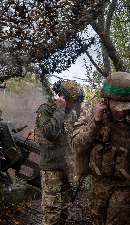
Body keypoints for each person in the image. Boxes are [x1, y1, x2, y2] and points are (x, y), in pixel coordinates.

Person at [72, 71, 130, 225]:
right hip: (99, 183)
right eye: (117, 106)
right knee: (96, 220)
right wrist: (95, 121)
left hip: (126, 185)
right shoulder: (91, 114)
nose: (121, 111)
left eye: (126, 107)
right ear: (106, 99)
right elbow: (78, 147)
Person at [35, 79, 84, 225]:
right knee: (52, 213)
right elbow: (50, 133)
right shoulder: (45, 110)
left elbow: (80, 132)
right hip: (51, 168)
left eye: (78, 101)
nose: (75, 104)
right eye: (73, 100)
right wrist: (60, 110)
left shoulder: (71, 112)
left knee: (65, 209)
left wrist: (80, 111)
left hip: (67, 167)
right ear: (62, 96)